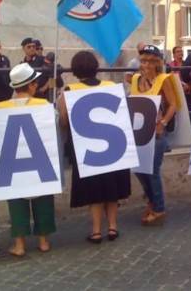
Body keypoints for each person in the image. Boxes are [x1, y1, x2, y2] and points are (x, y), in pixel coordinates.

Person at [58, 51, 130, 243]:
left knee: (94, 191)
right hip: (114, 147)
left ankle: (97, 231)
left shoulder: (69, 91)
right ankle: (113, 227)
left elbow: (64, 121)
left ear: (74, 69)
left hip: (87, 150)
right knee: (112, 189)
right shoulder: (112, 86)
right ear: (95, 68)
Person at [0, 64, 56, 256]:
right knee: (44, 199)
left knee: (16, 201)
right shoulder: (44, 106)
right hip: (40, 161)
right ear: (31, 85)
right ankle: (44, 241)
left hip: (13, 163)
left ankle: (19, 245)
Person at [130, 45, 178, 225]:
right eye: (143, 61)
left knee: (152, 171)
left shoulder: (163, 79)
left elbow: (173, 104)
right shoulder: (135, 79)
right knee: (139, 170)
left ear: (157, 62)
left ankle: (159, 208)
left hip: (157, 132)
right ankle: (152, 200)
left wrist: (163, 122)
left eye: (151, 61)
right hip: (139, 132)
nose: (147, 64)